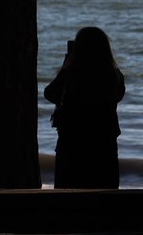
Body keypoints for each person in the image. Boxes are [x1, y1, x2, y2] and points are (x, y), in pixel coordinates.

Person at [43, 26, 126, 188]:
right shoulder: (114, 76)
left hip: (72, 145)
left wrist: (66, 67)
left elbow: (50, 94)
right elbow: (118, 96)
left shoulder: (70, 76)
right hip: (104, 146)